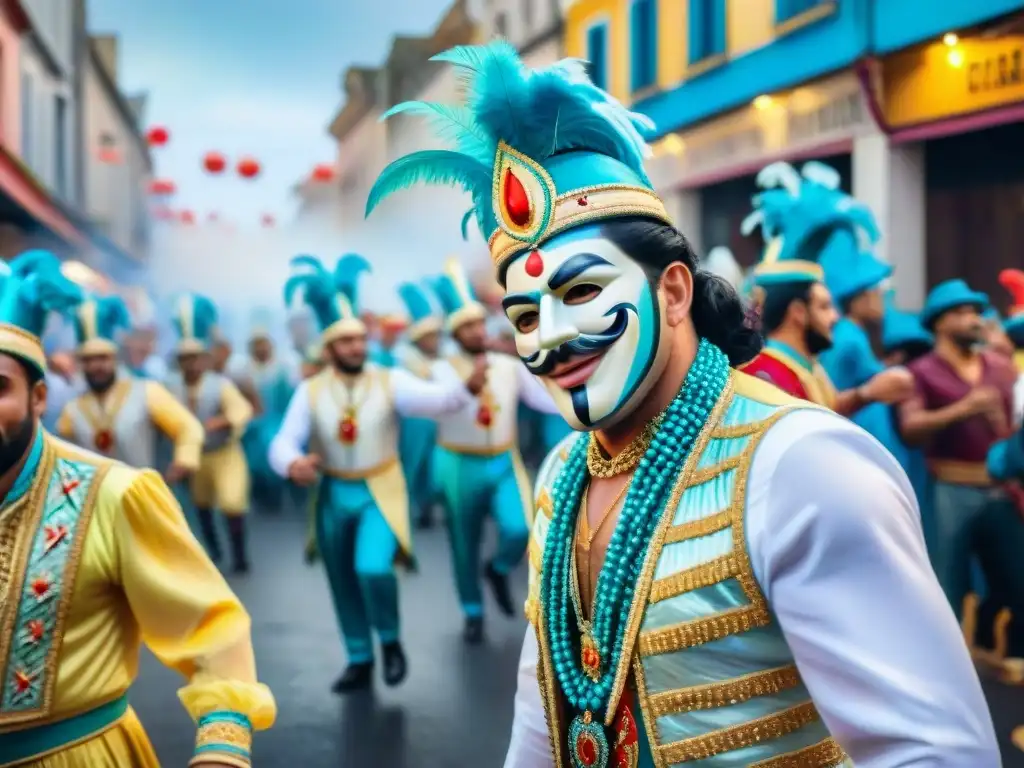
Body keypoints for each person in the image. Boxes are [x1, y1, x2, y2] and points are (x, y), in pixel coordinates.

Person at [367, 41, 998, 766]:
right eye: (525, 315)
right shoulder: (562, 475)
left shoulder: (800, 467)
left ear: (672, 290)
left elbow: (937, 754)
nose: (551, 338)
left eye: (580, 292)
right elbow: (540, 724)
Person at [0, 250, 276, 767]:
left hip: (131, 503)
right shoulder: (77, 406)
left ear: (39, 397)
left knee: (221, 518)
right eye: (90, 361)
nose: (98, 366)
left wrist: (221, 748)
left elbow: (213, 635)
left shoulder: (140, 432)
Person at [269, 254, 485, 692]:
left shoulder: (390, 380)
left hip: (379, 489)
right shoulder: (309, 391)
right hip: (331, 493)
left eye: (358, 339)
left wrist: (465, 389)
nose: (354, 347)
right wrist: (292, 463)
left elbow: (437, 400)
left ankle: (388, 639)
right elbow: (283, 441)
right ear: (328, 349)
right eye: (344, 342)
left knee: (372, 568)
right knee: (341, 578)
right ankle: (358, 657)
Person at [424, 259, 560, 644]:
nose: (475, 331)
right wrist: (467, 386)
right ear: (455, 332)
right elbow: (438, 405)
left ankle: (499, 567)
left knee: (520, 527)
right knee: (462, 541)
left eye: (478, 323)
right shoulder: (442, 369)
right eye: (466, 327)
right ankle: (472, 610)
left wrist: (586, 405)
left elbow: (541, 399)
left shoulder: (507, 363)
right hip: (458, 462)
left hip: (502, 459)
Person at [740, 160, 914, 414]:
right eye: (824, 306)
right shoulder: (767, 375)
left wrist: (867, 394)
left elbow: (825, 409)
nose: (835, 316)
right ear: (798, 312)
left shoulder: (807, 364)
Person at [898, 279, 1018, 624]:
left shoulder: (1000, 368)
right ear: (939, 321)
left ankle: (998, 649)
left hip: (1001, 489)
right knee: (946, 581)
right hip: (949, 489)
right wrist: (963, 408)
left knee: (1014, 576)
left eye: (976, 312)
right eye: (962, 313)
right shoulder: (920, 373)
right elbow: (910, 429)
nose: (974, 319)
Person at [56, 294, 204, 483]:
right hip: (95, 503)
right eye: (88, 360)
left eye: (102, 358)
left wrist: (183, 461)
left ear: (115, 359)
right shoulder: (72, 409)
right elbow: (62, 454)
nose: (95, 366)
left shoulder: (146, 392)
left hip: (141, 497)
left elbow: (189, 427)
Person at [165, 293, 255, 573]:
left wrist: (224, 420)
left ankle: (240, 554)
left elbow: (242, 409)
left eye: (195, 357)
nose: (191, 364)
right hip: (196, 457)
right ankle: (214, 548)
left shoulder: (220, 384)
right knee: (200, 503)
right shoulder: (170, 386)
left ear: (204, 359)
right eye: (185, 359)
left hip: (224, 452)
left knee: (232, 502)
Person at [396, 280, 444, 529]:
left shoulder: (442, 357)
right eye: (430, 336)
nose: (435, 340)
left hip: (437, 421)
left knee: (432, 469)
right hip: (414, 423)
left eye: (436, 335)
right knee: (412, 466)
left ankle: (427, 506)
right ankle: (405, 510)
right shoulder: (405, 359)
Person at [236, 318, 295, 512]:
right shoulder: (243, 371)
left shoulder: (282, 369)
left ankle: (276, 496)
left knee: (274, 458)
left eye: (264, 343)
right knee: (253, 463)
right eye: (256, 345)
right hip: (252, 427)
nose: (261, 348)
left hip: (277, 423)